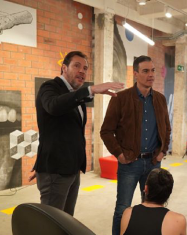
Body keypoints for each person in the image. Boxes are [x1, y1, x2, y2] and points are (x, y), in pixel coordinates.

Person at [29, 51, 123, 215]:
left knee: (66, 221)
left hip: (71, 169)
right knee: (53, 224)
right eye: (77, 66)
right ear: (64, 68)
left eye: (85, 68)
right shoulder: (50, 87)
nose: (82, 71)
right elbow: (54, 106)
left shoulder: (76, 96)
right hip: (56, 170)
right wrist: (90, 90)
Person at [101, 55, 171, 235]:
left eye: (153, 71)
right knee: (122, 209)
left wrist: (162, 151)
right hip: (130, 163)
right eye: (146, 71)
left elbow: (167, 128)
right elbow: (106, 130)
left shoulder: (160, 99)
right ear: (135, 73)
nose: (151, 75)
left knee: (151, 210)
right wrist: (120, 155)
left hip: (153, 163)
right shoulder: (121, 98)